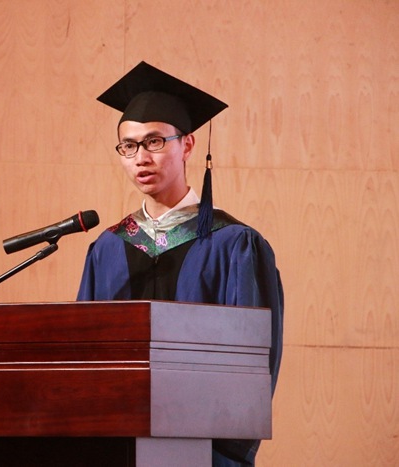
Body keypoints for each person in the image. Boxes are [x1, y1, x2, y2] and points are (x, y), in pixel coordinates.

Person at [77, 62, 284, 466]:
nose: (141, 157)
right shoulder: (109, 247)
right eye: (128, 146)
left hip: (203, 448)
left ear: (187, 145)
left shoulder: (233, 244)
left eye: (154, 141)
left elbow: (253, 361)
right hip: (116, 445)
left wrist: (224, 446)